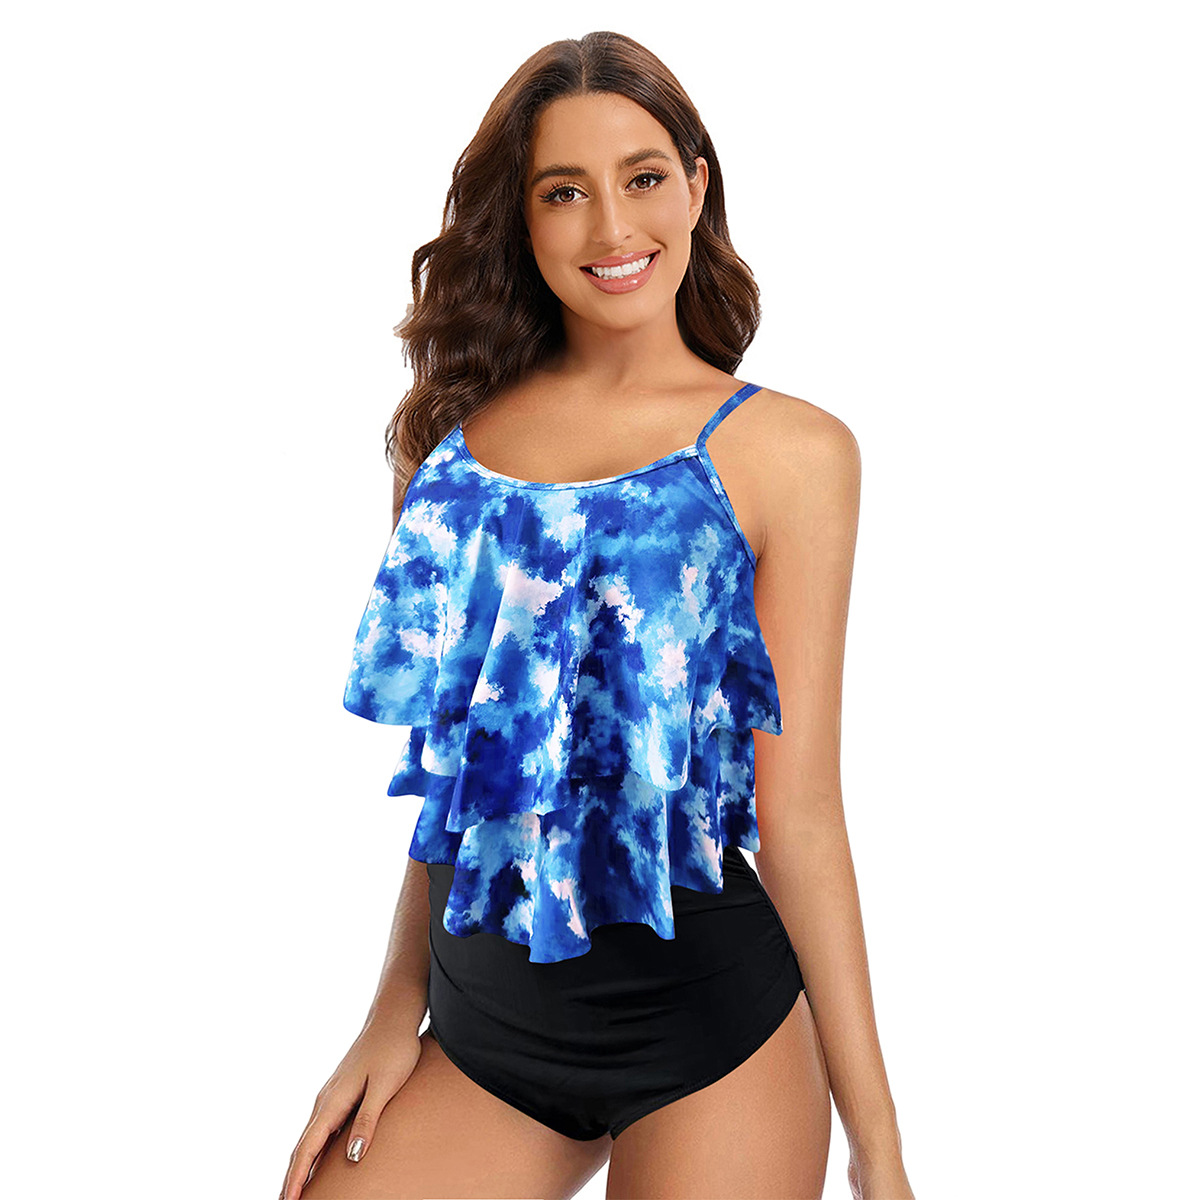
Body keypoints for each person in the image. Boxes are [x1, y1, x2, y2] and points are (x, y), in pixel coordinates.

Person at [280, 30, 914, 1200]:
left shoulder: (792, 453)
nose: (614, 228)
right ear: (521, 220)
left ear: (696, 186)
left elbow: (802, 816)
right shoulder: (448, 451)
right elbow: (462, 786)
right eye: (564, 192)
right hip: (483, 1037)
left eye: (644, 178)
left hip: (709, 1031)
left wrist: (879, 1146)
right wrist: (390, 1010)